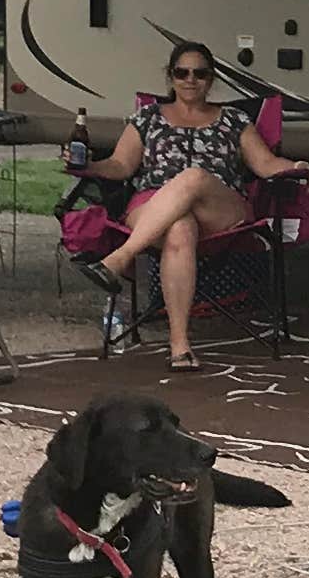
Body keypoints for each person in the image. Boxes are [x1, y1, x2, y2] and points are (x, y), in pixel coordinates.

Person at [70, 45, 292, 370]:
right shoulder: (146, 118)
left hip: (219, 208)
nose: (190, 80)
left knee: (193, 177)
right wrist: (88, 166)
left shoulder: (235, 120)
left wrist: (297, 166)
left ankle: (120, 257)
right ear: (170, 76)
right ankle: (180, 347)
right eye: (182, 72)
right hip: (153, 208)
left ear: (211, 79)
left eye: (200, 73)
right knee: (180, 227)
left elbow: (266, 164)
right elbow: (120, 166)